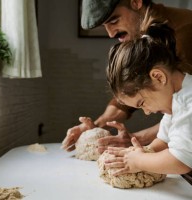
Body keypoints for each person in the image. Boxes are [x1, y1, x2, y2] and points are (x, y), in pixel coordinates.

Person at [61, 0, 192, 153]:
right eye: (105, 26)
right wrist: (96, 127)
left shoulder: (185, 33)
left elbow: (185, 117)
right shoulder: (146, 36)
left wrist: (136, 140)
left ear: (136, 2)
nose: (111, 34)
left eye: (114, 20)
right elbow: (134, 89)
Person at [104, 16, 192, 175]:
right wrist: (141, 152)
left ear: (158, 77)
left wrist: (139, 161)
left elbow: (179, 161)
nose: (147, 111)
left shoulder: (188, 103)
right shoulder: (176, 100)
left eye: (142, 102)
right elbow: (164, 141)